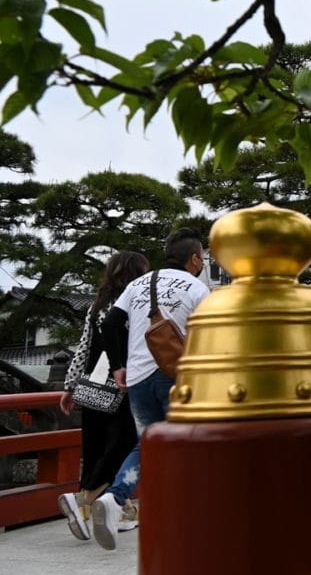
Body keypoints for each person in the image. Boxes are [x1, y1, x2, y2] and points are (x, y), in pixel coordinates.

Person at [91, 228, 210, 550]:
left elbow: (110, 323)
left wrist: (119, 366)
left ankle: (115, 499)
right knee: (189, 445)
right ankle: (188, 517)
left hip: (140, 378)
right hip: (180, 378)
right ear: (195, 258)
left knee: (148, 444)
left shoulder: (139, 283)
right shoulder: (198, 288)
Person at [57, 251, 149, 542]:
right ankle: (85, 498)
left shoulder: (96, 306)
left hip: (93, 385)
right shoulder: (135, 303)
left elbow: (83, 347)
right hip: (124, 381)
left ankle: (115, 511)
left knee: (95, 445)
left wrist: (70, 385)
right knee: (125, 446)